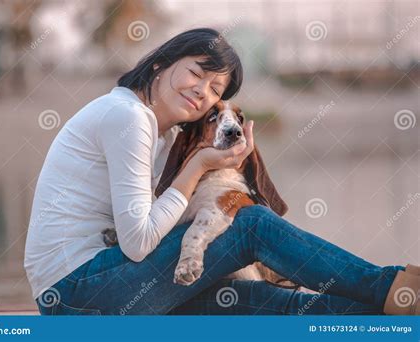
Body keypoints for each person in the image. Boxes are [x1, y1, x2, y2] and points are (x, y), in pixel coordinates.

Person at [24, 28, 419, 315]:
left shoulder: (164, 137)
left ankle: (380, 316)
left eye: (216, 89)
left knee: (254, 300)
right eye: (197, 74)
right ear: (161, 63)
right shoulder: (127, 116)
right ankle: (396, 287)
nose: (203, 92)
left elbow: (163, 224)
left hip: (99, 288)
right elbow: (138, 243)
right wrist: (198, 166)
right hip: (76, 292)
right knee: (249, 224)